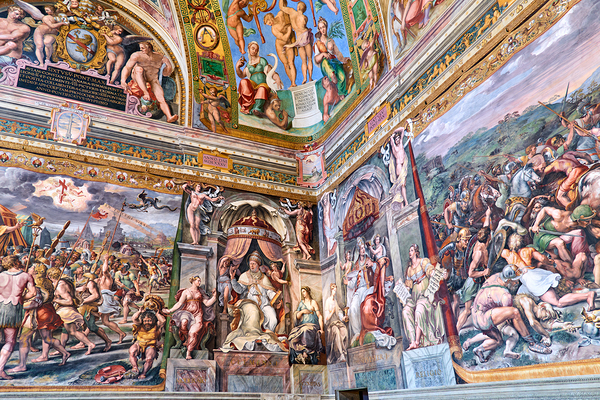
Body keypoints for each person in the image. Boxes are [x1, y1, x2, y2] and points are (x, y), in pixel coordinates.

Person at [470, 265, 547, 362]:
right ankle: (532, 343)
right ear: (508, 281)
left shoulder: (495, 277)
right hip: (484, 318)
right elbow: (510, 318)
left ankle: (479, 349)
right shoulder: (505, 295)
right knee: (514, 312)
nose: (517, 283)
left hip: (475, 317)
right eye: (515, 281)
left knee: (498, 341)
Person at [9, 262, 70, 373]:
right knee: (47, 338)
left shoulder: (36, 284)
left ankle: (22, 365)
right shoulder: (46, 282)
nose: (29, 268)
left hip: (37, 314)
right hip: (47, 311)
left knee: (24, 338)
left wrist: (18, 304)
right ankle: (65, 353)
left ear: (36, 271)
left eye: (32, 267)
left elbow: (35, 303)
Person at [400, 244, 445, 350]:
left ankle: (417, 341)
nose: (410, 253)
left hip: (425, 293)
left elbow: (429, 269)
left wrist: (433, 273)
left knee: (419, 310)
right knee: (405, 311)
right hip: (414, 296)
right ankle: (412, 341)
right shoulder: (409, 269)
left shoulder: (423, 261)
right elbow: (408, 285)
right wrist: (402, 288)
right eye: (409, 251)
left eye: (412, 250)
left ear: (416, 252)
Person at [120, 42, 178, 123]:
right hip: (139, 76)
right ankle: (145, 92)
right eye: (140, 47)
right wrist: (123, 80)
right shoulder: (137, 56)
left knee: (161, 98)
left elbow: (165, 74)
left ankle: (169, 117)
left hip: (153, 80)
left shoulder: (159, 57)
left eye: (143, 48)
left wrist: (168, 64)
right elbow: (127, 68)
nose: (141, 49)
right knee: (139, 69)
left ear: (149, 48)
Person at [0, 256, 37, 379]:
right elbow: (33, 293)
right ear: (16, 262)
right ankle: (0, 369)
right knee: (10, 341)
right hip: (13, 308)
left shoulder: (0, 276)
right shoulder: (26, 276)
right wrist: (20, 298)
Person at [163, 276, 216, 360]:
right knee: (184, 322)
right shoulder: (186, 291)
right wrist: (170, 310)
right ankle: (186, 338)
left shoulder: (201, 292)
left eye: (200, 281)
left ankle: (188, 352)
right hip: (187, 312)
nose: (199, 282)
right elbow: (179, 303)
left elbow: (207, 303)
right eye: (198, 280)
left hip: (198, 314)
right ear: (193, 281)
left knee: (193, 332)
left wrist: (214, 297)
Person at [47, 266, 97, 355]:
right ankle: (61, 349)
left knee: (72, 331)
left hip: (66, 312)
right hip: (63, 311)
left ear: (50, 276)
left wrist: (55, 300)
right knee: (65, 331)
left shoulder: (60, 286)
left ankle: (90, 344)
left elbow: (69, 301)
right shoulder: (60, 283)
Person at [231, 251, 279, 331]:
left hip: (264, 304)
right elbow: (239, 290)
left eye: (254, 264)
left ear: (258, 265)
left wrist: (275, 296)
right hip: (250, 303)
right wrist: (233, 280)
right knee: (254, 315)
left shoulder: (264, 278)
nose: (252, 266)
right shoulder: (245, 276)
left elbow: (269, 291)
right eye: (250, 263)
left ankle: (269, 335)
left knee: (273, 318)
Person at [235, 42, 275, 116]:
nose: (254, 51)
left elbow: (270, 71)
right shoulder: (248, 64)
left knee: (262, 88)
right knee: (243, 81)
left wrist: (276, 77)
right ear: (249, 49)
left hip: (263, 84)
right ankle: (247, 106)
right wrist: (237, 67)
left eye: (256, 50)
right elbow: (242, 75)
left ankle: (257, 108)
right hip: (253, 85)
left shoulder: (262, 60)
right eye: (253, 48)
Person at [280, 0, 313, 84]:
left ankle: (305, 78)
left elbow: (281, 7)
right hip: (306, 36)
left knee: (304, 60)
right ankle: (310, 77)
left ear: (298, 7)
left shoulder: (292, 13)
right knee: (309, 58)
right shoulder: (305, 17)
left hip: (299, 39)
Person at [289, 286, 324, 364]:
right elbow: (297, 316)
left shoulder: (313, 302)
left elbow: (319, 316)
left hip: (312, 325)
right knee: (293, 334)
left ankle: (305, 352)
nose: (303, 294)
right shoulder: (301, 303)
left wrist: (321, 329)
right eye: (302, 292)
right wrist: (302, 312)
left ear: (308, 292)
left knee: (306, 330)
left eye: (304, 291)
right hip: (302, 325)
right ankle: (299, 354)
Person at [314, 18, 348, 96]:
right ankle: (332, 75)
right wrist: (323, 54)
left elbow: (337, 53)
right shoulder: (318, 43)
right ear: (319, 30)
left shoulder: (331, 40)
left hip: (334, 61)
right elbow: (316, 59)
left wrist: (343, 59)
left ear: (326, 27)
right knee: (325, 62)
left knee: (342, 77)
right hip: (325, 64)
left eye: (323, 27)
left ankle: (341, 93)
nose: (322, 30)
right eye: (320, 28)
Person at [97, 255, 127, 343]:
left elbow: (105, 271)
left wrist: (106, 259)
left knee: (102, 320)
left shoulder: (108, 277)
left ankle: (121, 333)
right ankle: (121, 333)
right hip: (101, 299)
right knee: (105, 322)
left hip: (105, 299)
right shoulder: (100, 279)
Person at [129, 309, 165, 379]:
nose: (147, 323)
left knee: (149, 358)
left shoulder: (156, 325)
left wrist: (157, 314)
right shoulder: (140, 324)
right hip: (139, 344)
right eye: (145, 321)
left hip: (150, 345)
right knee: (132, 351)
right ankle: (135, 367)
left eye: (149, 320)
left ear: (153, 320)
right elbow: (134, 318)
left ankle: (144, 373)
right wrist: (139, 312)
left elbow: (163, 321)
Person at [263, 11, 297, 87]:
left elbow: (286, 11)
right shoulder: (274, 29)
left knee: (291, 62)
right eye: (269, 24)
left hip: (289, 43)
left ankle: (294, 82)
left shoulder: (280, 14)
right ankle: (292, 82)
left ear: (270, 17)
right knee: (286, 64)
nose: (270, 24)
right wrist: (289, 29)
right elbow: (284, 38)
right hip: (280, 46)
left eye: (269, 22)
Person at [324, 283, 348, 364]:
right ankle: (340, 355)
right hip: (330, 325)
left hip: (337, 323)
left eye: (335, 290)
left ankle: (344, 352)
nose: (335, 292)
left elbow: (339, 313)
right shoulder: (328, 301)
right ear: (331, 290)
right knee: (336, 332)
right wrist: (332, 312)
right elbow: (327, 318)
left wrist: (343, 318)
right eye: (333, 290)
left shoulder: (335, 302)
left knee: (344, 330)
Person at [389, 127, 409, 209]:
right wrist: (392, 137)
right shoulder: (395, 149)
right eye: (396, 139)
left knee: (402, 186)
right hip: (398, 168)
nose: (397, 140)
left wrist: (395, 131)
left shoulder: (401, 146)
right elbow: (391, 143)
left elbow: (402, 130)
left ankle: (404, 203)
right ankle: (404, 203)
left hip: (402, 167)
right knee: (401, 186)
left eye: (398, 139)